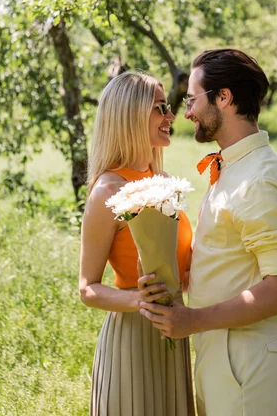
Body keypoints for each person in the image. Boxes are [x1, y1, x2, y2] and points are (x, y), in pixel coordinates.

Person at [140, 49, 277, 416]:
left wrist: (194, 319)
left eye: (192, 99)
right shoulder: (234, 166)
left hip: (247, 355)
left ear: (224, 97)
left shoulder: (259, 178)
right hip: (225, 349)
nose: (186, 113)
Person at [79, 71, 195, 416]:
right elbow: (88, 289)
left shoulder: (162, 182)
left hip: (177, 328)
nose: (171, 117)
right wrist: (138, 300)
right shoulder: (107, 191)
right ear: (132, 115)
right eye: (161, 108)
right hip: (132, 338)